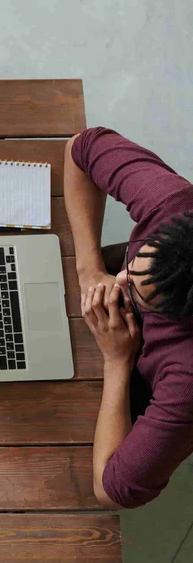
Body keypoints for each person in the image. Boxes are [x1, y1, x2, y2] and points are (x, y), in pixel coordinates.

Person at [64, 127, 193, 508]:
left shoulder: (187, 377)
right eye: (133, 265)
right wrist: (89, 270)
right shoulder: (175, 204)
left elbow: (112, 490)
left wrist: (117, 360)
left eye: (136, 292)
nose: (120, 279)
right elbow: (82, 146)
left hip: (129, 371)